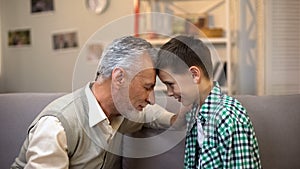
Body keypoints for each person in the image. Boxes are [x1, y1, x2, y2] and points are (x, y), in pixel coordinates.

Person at [11, 36, 176, 169]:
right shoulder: (56, 126)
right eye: (147, 87)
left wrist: (174, 119)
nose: (151, 99)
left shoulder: (122, 114)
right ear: (119, 77)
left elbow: (147, 114)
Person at [156, 35, 261, 168]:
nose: (169, 93)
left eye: (170, 84)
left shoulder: (228, 118)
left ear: (194, 75)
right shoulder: (194, 112)